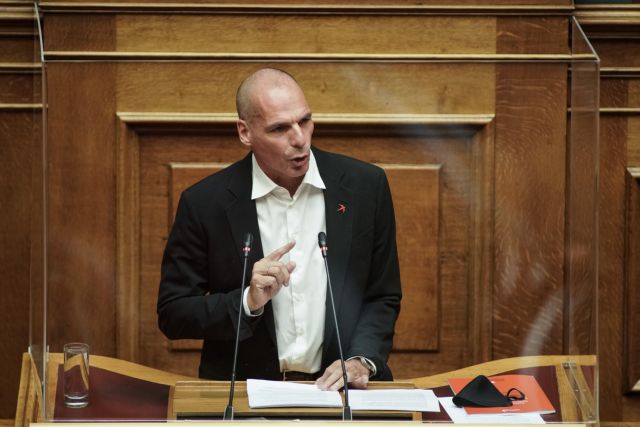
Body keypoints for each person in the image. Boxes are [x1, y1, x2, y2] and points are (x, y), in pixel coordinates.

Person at [157, 68, 401, 391]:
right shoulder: (205, 203)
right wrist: (247, 302)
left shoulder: (365, 188)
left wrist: (361, 359)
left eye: (305, 121)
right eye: (279, 128)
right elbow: (173, 312)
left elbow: (382, 295)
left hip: (340, 393)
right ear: (245, 132)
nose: (299, 139)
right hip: (244, 395)